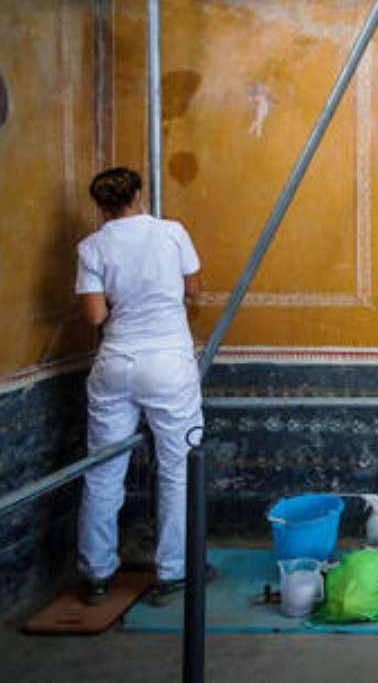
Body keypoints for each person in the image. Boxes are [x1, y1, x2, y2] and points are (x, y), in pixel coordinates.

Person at [75, 167, 205, 607]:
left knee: (103, 470)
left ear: (101, 206)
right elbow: (194, 289)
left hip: (115, 363)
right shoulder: (172, 233)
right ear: (139, 195)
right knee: (178, 469)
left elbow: (95, 316)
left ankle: (97, 575)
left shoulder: (92, 246)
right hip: (168, 363)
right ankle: (173, 572)